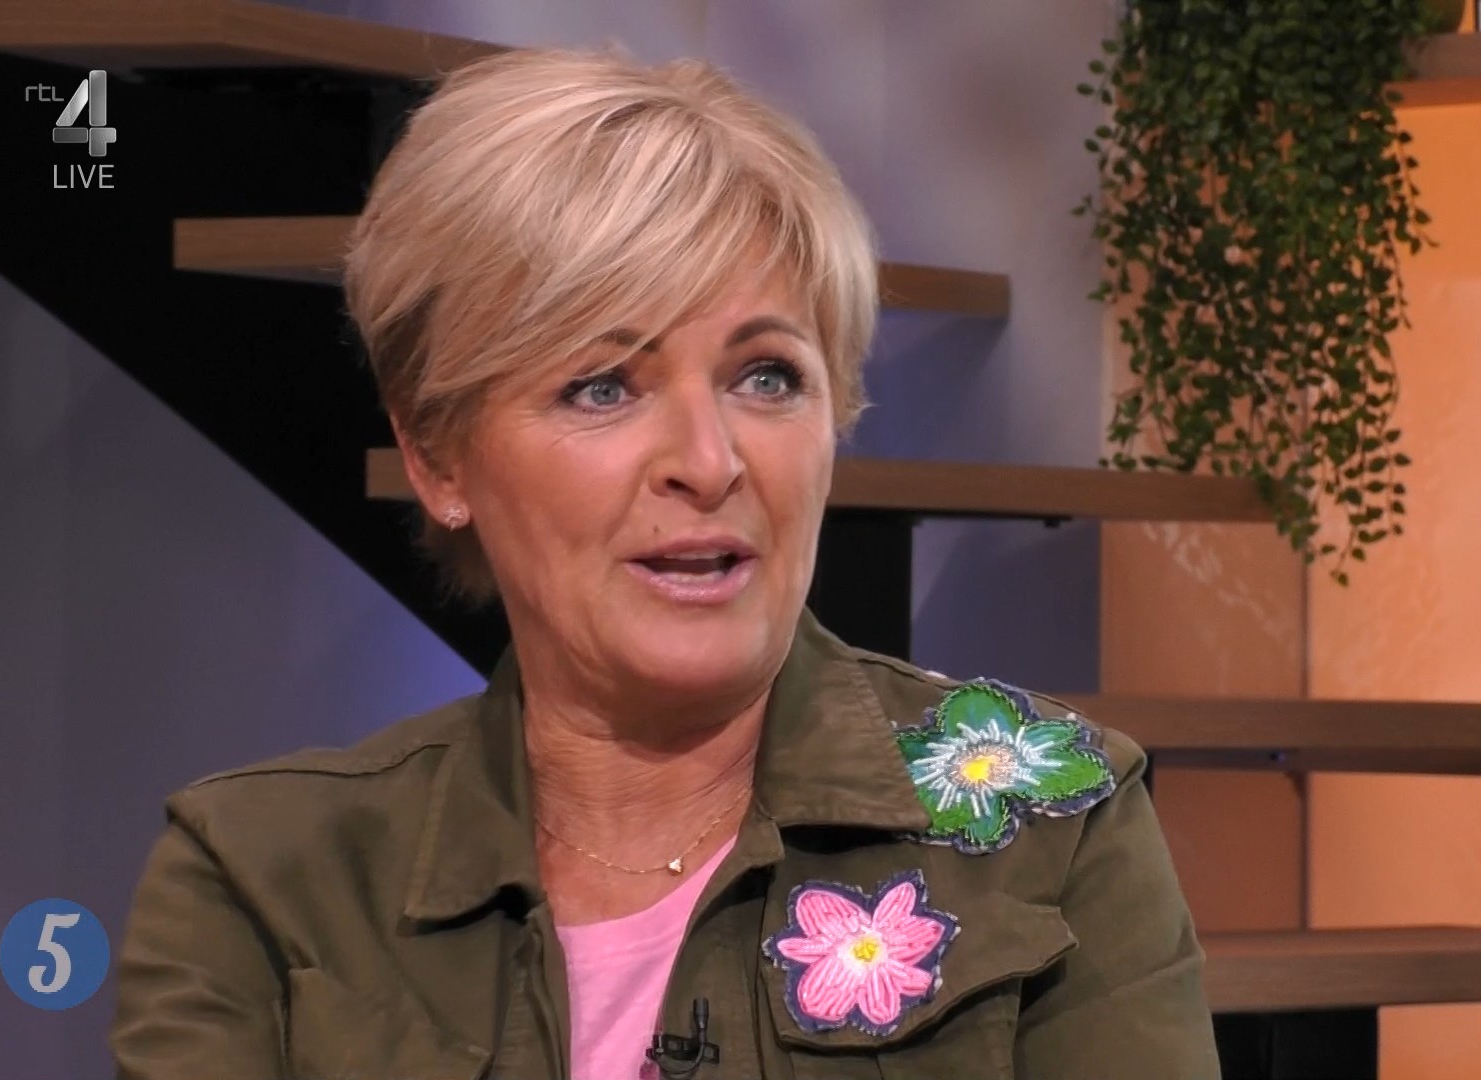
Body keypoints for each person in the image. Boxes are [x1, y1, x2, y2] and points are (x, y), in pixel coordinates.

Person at [109, 44, 1220, 1080]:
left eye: (767, 377)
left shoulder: (1053, 822)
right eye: (602, 387)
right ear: (437, 455)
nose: (708, 460)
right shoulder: (261, 876)